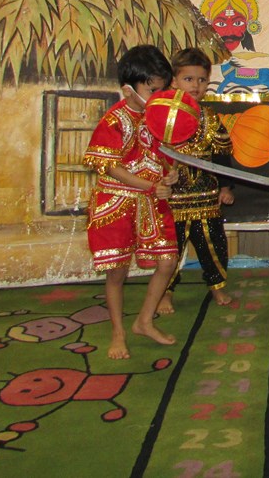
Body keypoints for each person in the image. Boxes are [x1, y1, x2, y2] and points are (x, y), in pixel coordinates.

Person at [83, 45, 179, 359]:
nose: (160, 96)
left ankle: (144, 321)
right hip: (117, 203)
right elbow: (110, 167)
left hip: (151, 201)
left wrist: (171, 175)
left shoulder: (158, 119)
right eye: (153, 91)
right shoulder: (114, 120)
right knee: (117, 272)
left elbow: (166, 157)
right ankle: (118, 333)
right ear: (129, 90)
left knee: (168, 261)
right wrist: (151, 186)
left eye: (163, 90)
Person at [157, 48, 235, 315]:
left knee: (214, 244)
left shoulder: (210, 117)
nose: (196, 85)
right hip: (172, 198)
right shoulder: (163, 115)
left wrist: (225, 186)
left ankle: (217, 286)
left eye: (202, 80)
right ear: (174, 81)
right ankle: (165, 291)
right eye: (188, 79)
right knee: (171, 249)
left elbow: (222, 153)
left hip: (206, 197)